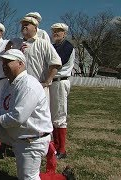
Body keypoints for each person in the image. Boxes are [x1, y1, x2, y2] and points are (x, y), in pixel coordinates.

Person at [0, 49, 53, 180]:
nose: (4, 65)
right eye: (3, 62)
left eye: (8, 62)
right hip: (13, 133)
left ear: (21, 64)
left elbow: (18, 117)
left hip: (31, 139)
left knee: (28, 178)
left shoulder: (29, 85)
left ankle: (62, 177)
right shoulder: (8, 83)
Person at [11, 16, 61, 96]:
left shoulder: (43, 43)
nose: (24, 26)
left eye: (27, 24)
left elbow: (55, 63)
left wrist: (46, 82)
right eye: (22, 25)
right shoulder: (16, 43)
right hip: (19, 88)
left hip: (38, 88)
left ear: (35, 28)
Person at [50, 23, 75, 159]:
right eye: (54, 31)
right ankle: (56, 144)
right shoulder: (54, 46)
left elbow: (57, 61)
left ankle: (62, 150)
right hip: (53, 82)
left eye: (59, 31)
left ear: (64, 33)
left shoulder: (67, 46)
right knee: (53, 115)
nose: (56, 33)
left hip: (60, 81)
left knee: (60, 115)